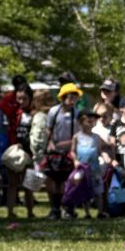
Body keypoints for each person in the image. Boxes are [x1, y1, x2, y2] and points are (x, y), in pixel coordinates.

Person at [43, 83, 81, 219]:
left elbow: (79, 133)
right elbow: (48, 129)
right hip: (55, 152)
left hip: (70, 150)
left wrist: (72, 145)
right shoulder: (54, 112)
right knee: (55, 181)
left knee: (70, 181)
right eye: (70, 96)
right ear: (63, 97)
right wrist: (51, 143)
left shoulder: (77, 113)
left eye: (75, 97)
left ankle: (69, 209)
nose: (73, 100)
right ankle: (55, 209)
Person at [3, 86, 36, 220]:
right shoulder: (13, 113)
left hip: (29, 152)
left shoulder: (34, 114)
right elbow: (2, 104)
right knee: (12, 184)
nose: (21, 101)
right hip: (14, 151)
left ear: (30, 98)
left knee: (28, 184)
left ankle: (30, 212)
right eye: (18, 98)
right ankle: (10, 211)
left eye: (24, 98)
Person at [70, 107, 108, 218]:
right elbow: (72, 151)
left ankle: (100, 212)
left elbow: (100, 151)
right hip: (82, 168)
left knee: (98, 191)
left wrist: (106, 158)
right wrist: (75, 160)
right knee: (84, 190)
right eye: (88, 119)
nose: (91, 121)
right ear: (81, 122)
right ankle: (87, 212)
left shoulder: (96, 137)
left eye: (93, 119)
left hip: (95, 168)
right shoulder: (77, 137)